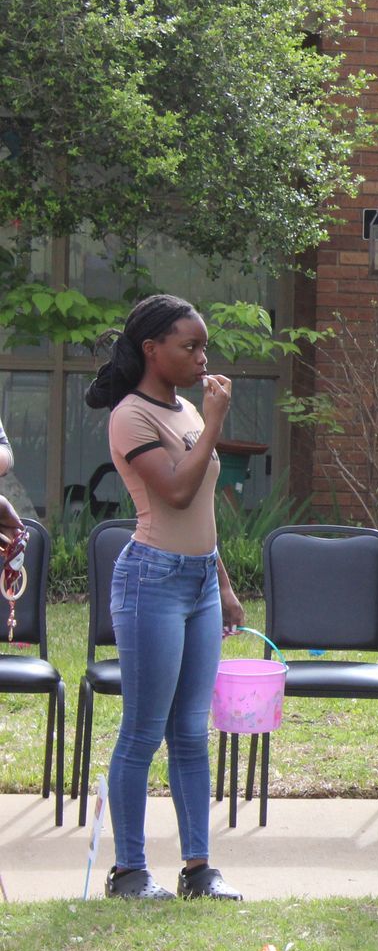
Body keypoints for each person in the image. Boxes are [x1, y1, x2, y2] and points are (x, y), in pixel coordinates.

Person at [84, 295, 246, 900]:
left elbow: (203, 510)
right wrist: (216, 423)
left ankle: (199, 870)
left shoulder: (183, 410)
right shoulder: (131, 417)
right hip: (150, 579)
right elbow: (177, 493)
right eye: (190, 346)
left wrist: (224, 585)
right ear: (152, 349)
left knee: (190, 733)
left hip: (201, 581)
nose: (202, 357)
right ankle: (129, 872)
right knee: (143, 730)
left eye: (204, 346)